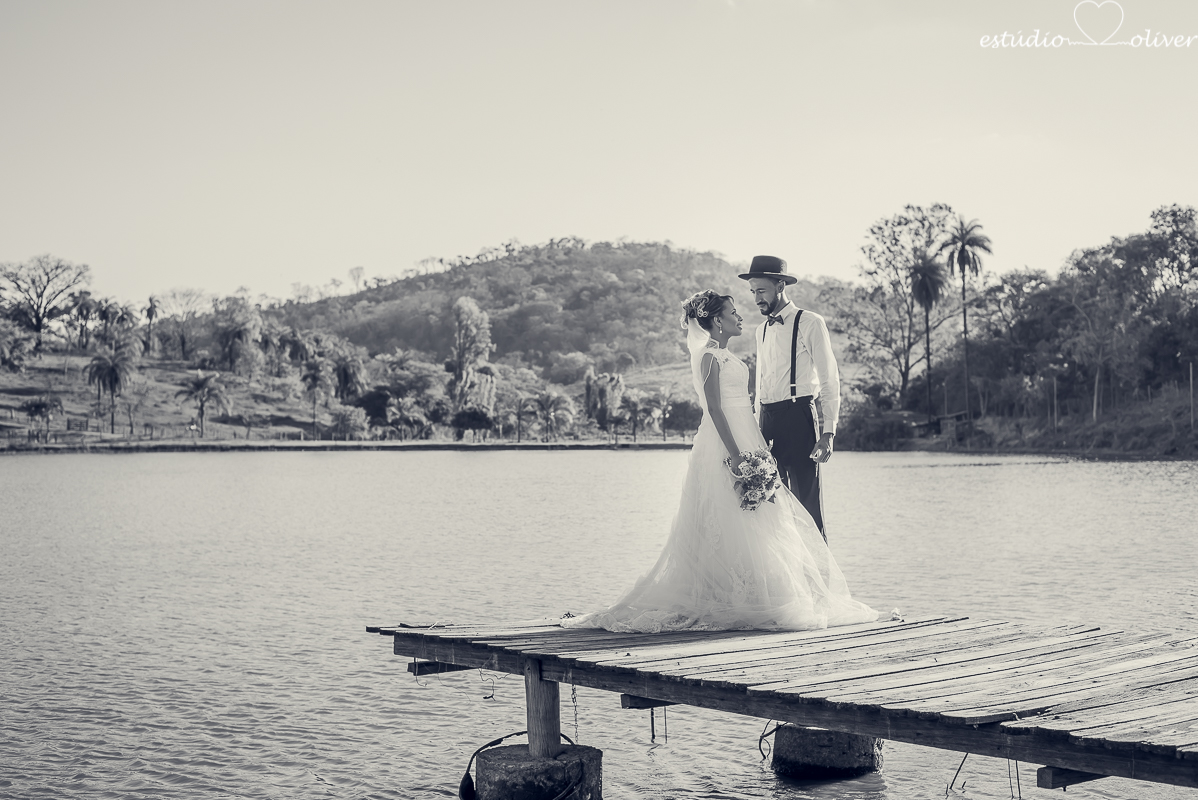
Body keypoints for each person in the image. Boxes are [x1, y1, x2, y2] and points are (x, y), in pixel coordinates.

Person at [562, 290, 877, 633]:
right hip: (726, 442)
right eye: (732, 313)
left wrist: (756, 446)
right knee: (726, 516)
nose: (740, 317)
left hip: (749, 436)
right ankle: (726, 595)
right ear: (716, 321)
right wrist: (736, 454)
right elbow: (714, 409)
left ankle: (763, 593)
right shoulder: (710, 358)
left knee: (762, 518)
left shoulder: (729, 355)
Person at [741, 255, 839, 540]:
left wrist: (829, 430)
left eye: (761, 291)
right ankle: (785, 579)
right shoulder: (761, 330)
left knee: (807, 505)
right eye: (753, 292)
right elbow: (762, 384)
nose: (756, 298)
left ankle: (820, 579)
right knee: (768, 504)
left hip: (799, 417)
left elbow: (829, 378)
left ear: (780, 285)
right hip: (766, 420)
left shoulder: (809, 322)